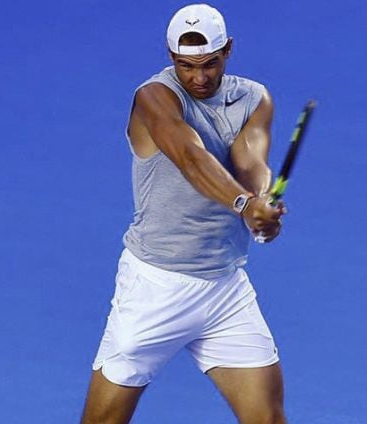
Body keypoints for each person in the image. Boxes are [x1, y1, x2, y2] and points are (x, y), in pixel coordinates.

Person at [81, 4, 287, 423]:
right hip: (155, 288)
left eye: (209, 64)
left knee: (268, 419)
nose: (198, 76)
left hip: (225, 288)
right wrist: (246, 205)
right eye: (185, 65)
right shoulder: (153, 97)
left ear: (228, 51)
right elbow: (190, 156)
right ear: (170, 57)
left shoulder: (253, 98)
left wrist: (261, 201)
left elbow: (250, 161)